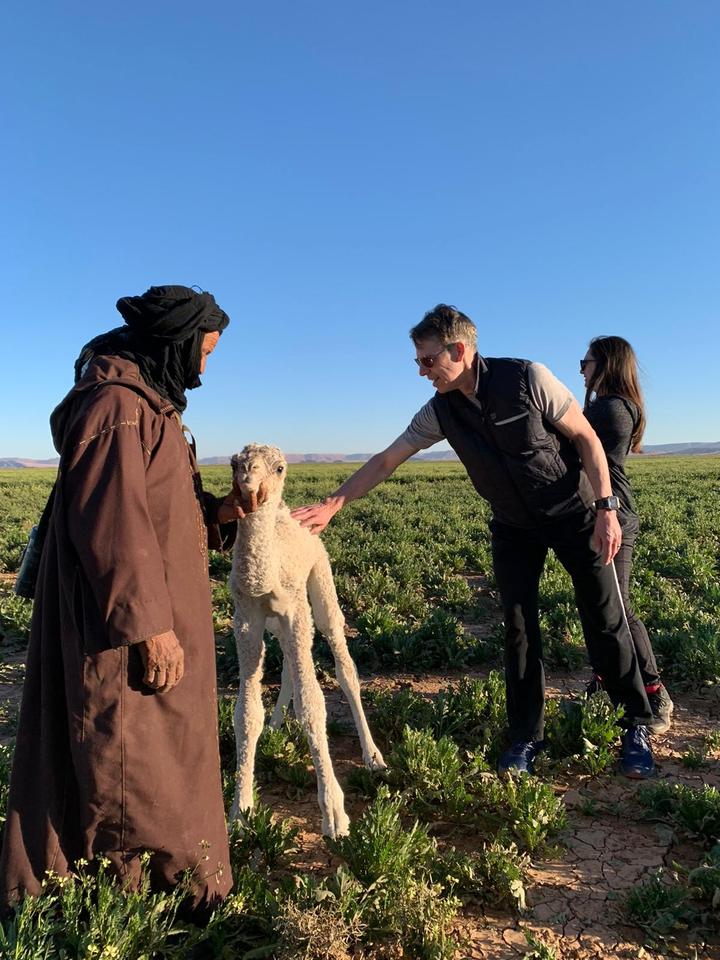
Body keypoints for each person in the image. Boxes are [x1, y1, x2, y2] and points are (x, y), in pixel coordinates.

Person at [292, 304, 655, 778]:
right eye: (418, 361)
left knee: (606, 619)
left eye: (427, 360)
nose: (421, 372)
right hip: (513, 526)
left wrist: (607, 510)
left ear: (459, 350)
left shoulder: (528, 378)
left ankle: (635, 726)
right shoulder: (441, 410)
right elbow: (387, 459)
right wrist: (333, 504)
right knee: (519, 629)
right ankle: (526, 736)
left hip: (573, 512)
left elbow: (586, 439)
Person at [0, 285, 244, 920]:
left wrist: (219, 512)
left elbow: (160, 504)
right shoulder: (115, 405)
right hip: (122, 626)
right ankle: (140, 904)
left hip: (150, 612)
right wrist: (149, 628)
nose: (204, 367)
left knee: (158, 751)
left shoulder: (148, 404)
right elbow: (112, 522)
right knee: (129, 759)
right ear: (175, 343)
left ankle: (162, 889)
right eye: (204, 352)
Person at [580, 336, 673, 733]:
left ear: (606, 365)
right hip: (600, 515)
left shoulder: (611, 409)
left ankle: (654, 691)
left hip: (612, 517)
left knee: (617, 607)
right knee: (596, 605)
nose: (581, 370)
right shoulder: (611, 406)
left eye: (585, 362)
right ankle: (605, 680)